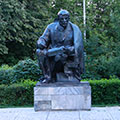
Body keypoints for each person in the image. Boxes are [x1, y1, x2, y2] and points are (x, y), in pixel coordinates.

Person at [36, 9, 85, 83]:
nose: (64, 20)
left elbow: (78, 47)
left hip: (67, 54)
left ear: (69, 18)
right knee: (39, 52)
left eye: (66, 18)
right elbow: (43, 39)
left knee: (60, 56)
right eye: (62, 19)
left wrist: (68, 49)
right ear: (58, 19)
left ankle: (59, 75)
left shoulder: (74, 29)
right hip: (53, 52)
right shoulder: (51, 27)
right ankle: (47, 76)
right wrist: (40, 43)